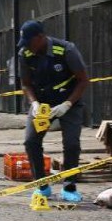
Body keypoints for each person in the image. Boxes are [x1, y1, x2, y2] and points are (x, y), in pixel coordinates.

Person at [18, 20, 89, 203]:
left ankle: (69, 186)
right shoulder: (25, 54)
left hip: (69, 101)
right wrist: (33, 103)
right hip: (41, 104)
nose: (27, 47)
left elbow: (82, 80)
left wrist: (67, 104)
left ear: (40, 37)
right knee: (31, 141)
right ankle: (42, 186)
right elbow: (26, 84)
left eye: (29, 42)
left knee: (72, 143)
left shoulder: (66, 50)